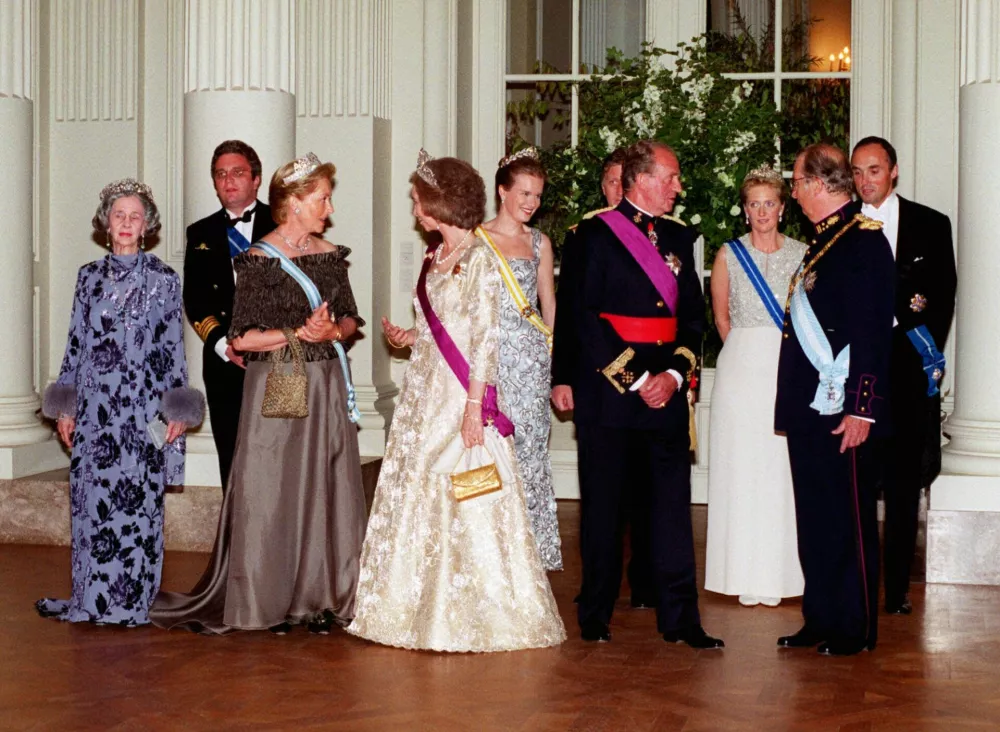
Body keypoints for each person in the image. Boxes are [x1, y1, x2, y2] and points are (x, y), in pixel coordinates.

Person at [347, 151, 565, 653]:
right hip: (426, 390)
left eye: (418, 199)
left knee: (469, 495)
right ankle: (412, 606)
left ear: (440, 203)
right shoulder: (435, 256)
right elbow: (441, 326)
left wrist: (473, 411)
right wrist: (411, 338)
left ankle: (476, 610)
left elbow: (485, 339)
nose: (414, 207)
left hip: (460, 395)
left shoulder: (482, 259)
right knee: (420, 493)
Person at [151, 153, 367, 635]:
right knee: (275, 491)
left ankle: (323, 595)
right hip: (276, 387)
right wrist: (298, 333)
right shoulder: (255, 262)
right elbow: (243, 337)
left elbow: (352, 319)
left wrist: (333, 329)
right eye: (322, 199)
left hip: (327, 386)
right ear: (293, 204)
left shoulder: (329, 252)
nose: (328, 209)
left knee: (323, 487)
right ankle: (270, 596)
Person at [552, 139, 723, 648]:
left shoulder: (678, 237)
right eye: (670, 177)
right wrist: (638, 379)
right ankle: (595, 612)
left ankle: (681, 620)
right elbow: (583, 319)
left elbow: (691, 320)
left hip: (667, 394)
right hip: (612, 394)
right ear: (641, 178)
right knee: (604, 508)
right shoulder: (591, 236)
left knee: (672, 509)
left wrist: (672, 375)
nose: (678, 187)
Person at [38, 178, 204, 626]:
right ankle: (91, 600)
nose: (127, 223)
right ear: (105, 225)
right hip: (95, 412)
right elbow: (75, 345)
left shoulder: (165, 280)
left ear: (147, 225)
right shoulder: (87, 278)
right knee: (93, 505)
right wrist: (66, 407)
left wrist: (177, 411)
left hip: (142, 412)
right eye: (119, 215)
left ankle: (131, 603)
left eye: (135, 216)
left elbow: (173, 349)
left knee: (138, 506)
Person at [775, 143, 895, 656]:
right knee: (816, 516)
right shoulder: (823, 240)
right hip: (810, 405)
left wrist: (861, 407)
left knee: (848, 518)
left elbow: (871, 333)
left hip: (842, 407)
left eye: (798, 181)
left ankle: (853, 625)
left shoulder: (864, 242)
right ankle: (820, 616)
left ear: (821, 184)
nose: (794, 190)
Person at [851, 136, 957, 616]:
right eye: (856, 172)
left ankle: (895, 589)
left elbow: (943, 295)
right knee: (857, 475)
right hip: (855, 365)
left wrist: (918, 348)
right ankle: (857, 583)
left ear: (893, 171)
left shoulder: (931, 225)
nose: (864, 180)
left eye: (873, 170)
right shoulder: (840, 226)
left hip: (907, 363)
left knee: (900, 483)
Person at [554, 147, 657, 607]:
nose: (619, 189)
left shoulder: (658, 234)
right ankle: (598, 588)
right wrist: (562, 377)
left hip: (652, 380)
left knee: (645, 493)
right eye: (612, 182)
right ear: (604, 186)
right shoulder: (584, 236)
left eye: (625, 181)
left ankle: (644, 583)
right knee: (600, 496)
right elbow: (571, 315)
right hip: (600, 381)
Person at [704, 166, 806, 608]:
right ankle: (740, 570)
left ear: (782, 208)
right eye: (754, 204)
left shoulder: (804, 254)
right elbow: (721, 318)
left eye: (770, 203)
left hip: (789, 370)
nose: (762, 212)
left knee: (781, 471)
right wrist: (750, 352)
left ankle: (785, 574)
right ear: (744, 211)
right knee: (742, 468)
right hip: (742, 373)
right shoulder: (728, 254)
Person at [481, 146, 561, 571]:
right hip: (490, 360)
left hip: (531, 359)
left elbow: (548, 302)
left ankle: (530, 553)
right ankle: (493, 550)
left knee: (530, 452)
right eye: (524, 193)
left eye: (537, 196)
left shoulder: (539, 241)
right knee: (494, 450)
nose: (531, 203)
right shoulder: (478, 241)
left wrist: (554, 361)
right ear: (502, 191)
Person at [184, 140, 277, 489]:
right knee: (232, 452)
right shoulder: (200, 233)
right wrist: (225, 345)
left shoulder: (282, 224)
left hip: (275, 358)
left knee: (275, 452)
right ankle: (237, 538)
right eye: (221, 174)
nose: (229, 181)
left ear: (256, 179)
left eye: (237, 172)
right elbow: (194, 299)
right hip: (225, 361)